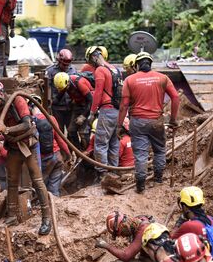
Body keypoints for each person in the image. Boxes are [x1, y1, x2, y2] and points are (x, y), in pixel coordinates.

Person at [0, 79, 52, 235]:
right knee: (12, 181)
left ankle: (46, 219)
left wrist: (6, 129)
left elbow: (27, 124)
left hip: (28, 145)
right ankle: (12, 215)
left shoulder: (17, 100)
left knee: (37, 180)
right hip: (13, 147)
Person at [118, 52, 180, 194]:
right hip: (156, 121)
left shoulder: (130, 80)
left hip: (137, 122)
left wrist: (118, 125)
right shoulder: (163, 78)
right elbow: (176, 98)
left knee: (140, 154)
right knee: (159, 150)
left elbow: (124, 105)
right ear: (151, 63)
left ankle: (140, 185)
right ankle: (158, 179)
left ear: (137, 64)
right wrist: (173, 121)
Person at [87, 45, 123, 175]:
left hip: (107, 110)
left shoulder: (100, 71)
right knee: (114, 143)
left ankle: (103, 175)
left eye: (91, 62)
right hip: (118, 111)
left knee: (101, 144)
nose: (91, 65)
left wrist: (92, 112)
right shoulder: (116, 70)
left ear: (94, 57)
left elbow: (98, 93)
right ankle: (114, 173)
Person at [30, 97, 71, 197]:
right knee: (54, 189)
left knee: (40, 188)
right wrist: (68, 155)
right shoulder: (51, 118)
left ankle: (43, 209)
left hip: (43, 160)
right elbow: (61, 139)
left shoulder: (31, 122)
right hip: (57, 157)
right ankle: (55, 206)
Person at [171, 186, 213, 261]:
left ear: (185, 207)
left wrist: (179, 223)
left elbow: (170, 241)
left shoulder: (189, 225)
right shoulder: (211, 219)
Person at [53, 71, 94, 150]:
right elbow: (58, 98)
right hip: (78, 104)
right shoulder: (64, 84)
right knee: (71, 131)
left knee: (83, 133)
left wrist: (83, 116)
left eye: (65, 88)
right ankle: (79, 153)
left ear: (68, 83)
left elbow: (91, 100)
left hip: (88, 106)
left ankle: (88, 154)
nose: (64, 90)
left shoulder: (79, 83)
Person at [45, 49, 77, 134]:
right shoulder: (50, 71)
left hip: (70, 106)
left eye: (67, 65)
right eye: (64, 64)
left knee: (72, 132)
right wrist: (49, 103)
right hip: (57, 107)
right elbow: (47, 88)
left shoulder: (73, 69)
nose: (65, 67)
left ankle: (71, 147)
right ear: (59, 61)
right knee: (59, 131)